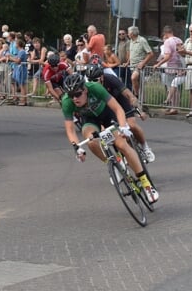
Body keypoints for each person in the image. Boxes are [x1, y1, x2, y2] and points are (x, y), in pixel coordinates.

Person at [63, 73, 158, 203]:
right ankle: (113, 164)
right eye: (71, 95)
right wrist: (76, 146)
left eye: (77, 94)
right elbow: (70, 129)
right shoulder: (66, 102)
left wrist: (123, 127)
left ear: (85, 89)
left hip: (107, 114)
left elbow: (118, 109)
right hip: (90, 120)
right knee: (91, 141)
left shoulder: (95, 87)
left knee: (121, 145)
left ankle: (146, 185)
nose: (74, 98)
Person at [125, 26, 155, 100]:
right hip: (132, 66)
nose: (127, 34)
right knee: (139, 85)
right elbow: (132, 54)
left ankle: (136, 96)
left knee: (133, 78)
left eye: (128, 32)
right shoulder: (131, 41)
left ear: (132, 33)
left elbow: (150, 53)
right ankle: (141, 102)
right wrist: (127, 62)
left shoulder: (142, 40)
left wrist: (143, 63)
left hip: (139, 66)